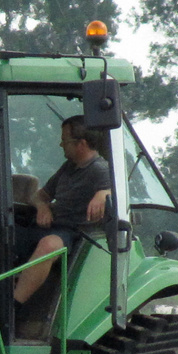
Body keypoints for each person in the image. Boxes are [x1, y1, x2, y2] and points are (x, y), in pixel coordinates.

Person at [13, 117, 111, 306]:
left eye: (64, 140)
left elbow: (117, 189)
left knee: (49, 245)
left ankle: (12, 307)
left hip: (73, 232)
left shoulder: (100, 169)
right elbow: (38, 196)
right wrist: (43, 207)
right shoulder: (68, 167)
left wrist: (104, 194)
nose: (61, 144)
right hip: (45, 225)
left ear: (81, 144)